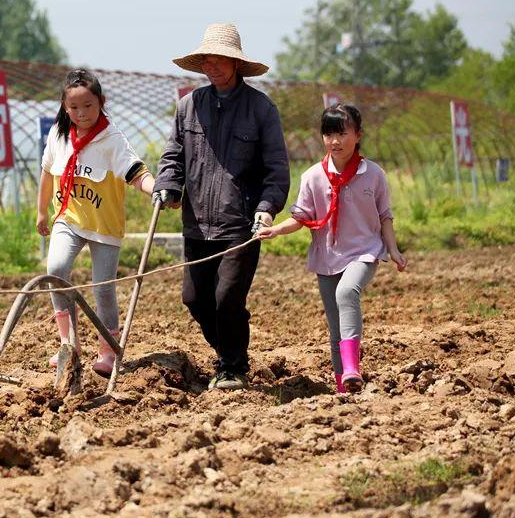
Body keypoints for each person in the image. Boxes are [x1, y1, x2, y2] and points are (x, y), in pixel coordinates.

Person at [153, 23, 290, 391]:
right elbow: (173, 156)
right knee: (195, 299)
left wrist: (267, 206)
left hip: (240, 224)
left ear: (235, 63)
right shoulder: (189, 107)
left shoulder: (260, 109)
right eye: (207, 60)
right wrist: (167, 186)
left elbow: (276, 168)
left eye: (220, 60)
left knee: (227, 297)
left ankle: (230, 366)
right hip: (197, 222)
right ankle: (233, 353)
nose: (213, 67)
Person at [256, 103, 407, 393]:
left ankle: (352, 368)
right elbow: (301, 217)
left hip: (364, 251)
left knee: (347, 291)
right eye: (328, 134)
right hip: (327, 257)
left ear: (358, 135)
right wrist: (276, 229)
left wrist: (394, 249)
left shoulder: (373, 174)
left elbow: (385, 216)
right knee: (335, 327)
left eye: (342, 133)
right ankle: (344, 385)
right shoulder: (313, 176)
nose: (335, 141)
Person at [37, 68, 155, 376]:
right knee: (56, 271)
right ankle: (68, 344)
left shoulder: (111, 139)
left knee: (103, 288)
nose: (81, 113)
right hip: (68, 217)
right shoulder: (59, 134)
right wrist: (40, 213)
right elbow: (48, 173)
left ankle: (107, 350)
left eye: (88, 106)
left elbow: (135, 173)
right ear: (65, 108)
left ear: (100, 102)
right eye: (74, 107)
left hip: (104, 225)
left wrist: (156, 190)